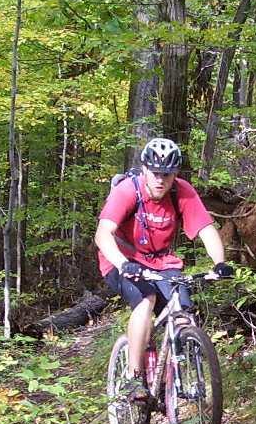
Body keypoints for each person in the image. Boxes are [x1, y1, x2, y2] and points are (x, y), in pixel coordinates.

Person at [95, 137, 234, 401]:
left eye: (167, 175)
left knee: (182, 313)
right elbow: (103, 235)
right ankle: (133, 378)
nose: (161, 180)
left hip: (162, 262)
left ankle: (175, 377)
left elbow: (206, 230)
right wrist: (123, 264)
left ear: (175, 174)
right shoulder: (127, 191)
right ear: (145, 169)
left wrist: (219, 263)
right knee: (146, 300)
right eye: (156, 173)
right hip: (120, 258)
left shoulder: (181, 191)